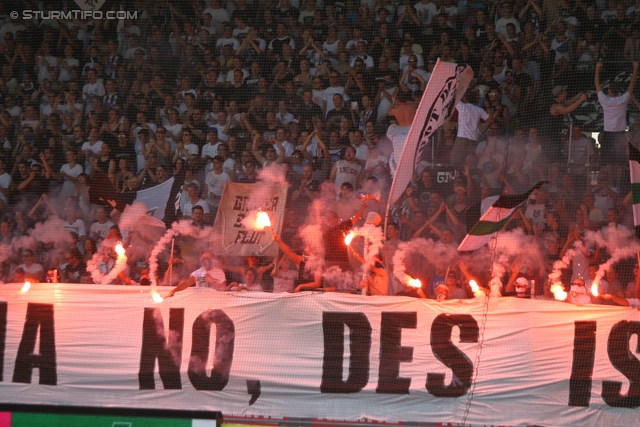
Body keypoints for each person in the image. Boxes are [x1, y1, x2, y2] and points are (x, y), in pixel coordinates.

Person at [595, 61, 639, 186]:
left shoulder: (605, 100)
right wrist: (635, 68)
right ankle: (618, 185)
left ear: (609, 90)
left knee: (609, 162)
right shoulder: (623, 99)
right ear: (618, 91)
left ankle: (611, 183)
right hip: (620, 134)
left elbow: (597, 85)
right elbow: (632, 84)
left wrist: (597, 68)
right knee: (619, 162)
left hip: (609, 134)